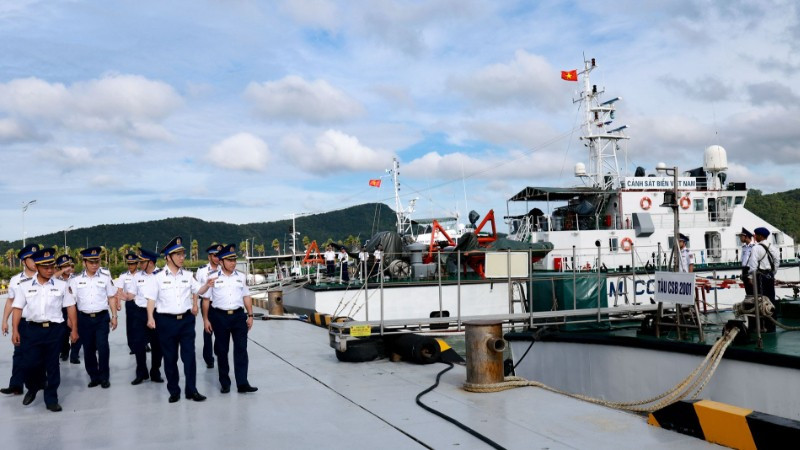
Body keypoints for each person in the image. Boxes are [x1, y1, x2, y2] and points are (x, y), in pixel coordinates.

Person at [11, 248, 78, 412]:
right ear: (37, 267)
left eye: (51, 266)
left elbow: (70, 307)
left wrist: (74, 329)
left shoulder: (62, 285)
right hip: (32, 330)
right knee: (29, 364)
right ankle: (33, 387)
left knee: (52, 365)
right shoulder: (24, 286)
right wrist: (15, 330)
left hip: (54, 330)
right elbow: (17, 308)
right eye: (45, 267)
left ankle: (51, 399)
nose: (49, 270)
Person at [143, 236, 206, 403]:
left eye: (183, 254)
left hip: (186, 321)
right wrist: (150, 317)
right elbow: (151, 299)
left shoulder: (188, 275)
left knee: (189, 357)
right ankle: (174, 391)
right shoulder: (157, 277)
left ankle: (191, 390)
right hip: (166, 322)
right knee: (170, 358)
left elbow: (199, 290)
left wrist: (208, 285)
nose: (182, 257)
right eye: (178, 254)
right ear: (168, 257)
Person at [200, 244, 258, 394]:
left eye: (234, 260)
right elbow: (205, 300)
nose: (233, 263)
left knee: (241, 350)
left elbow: (246, 296)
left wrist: (250, 315)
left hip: (238, 316)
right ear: (221, 262)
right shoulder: (212, 278)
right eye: (230, 260)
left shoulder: (241, 277)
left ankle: (242, 383)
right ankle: (225, 383)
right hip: (220, 317)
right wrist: (206, 320)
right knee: (222, 351)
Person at [69, 247, 118, 388]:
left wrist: (114, 316)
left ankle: (104, 377)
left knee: (103, 347)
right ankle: (94, 376)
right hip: (84, 318)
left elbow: (111, 297)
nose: (94, 265)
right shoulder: (76, 280)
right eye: (91, 262)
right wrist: (72, 322)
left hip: (101, 318)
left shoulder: (105, 278)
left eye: (97, 261)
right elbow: (71, 302)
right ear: (84, 262)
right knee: (88, 348)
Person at [1, 244, 40, 395]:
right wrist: (5, 320)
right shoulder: (15, 280)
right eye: (31, 259)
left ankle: (40, 381)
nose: (35, 261)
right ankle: (16, 385)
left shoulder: (44, 278)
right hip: (23, 323)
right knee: (19, 354)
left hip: (41, 323)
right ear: (24, 261)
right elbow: (10, 301)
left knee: (40, 354)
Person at [123, 248, 163, 385]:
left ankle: (155, 372)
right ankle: (141, 373)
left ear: (150, 262)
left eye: (142, 262)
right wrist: (124, 296)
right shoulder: (137, 277)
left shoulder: (162, 275)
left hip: (157, 313)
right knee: (138, 344)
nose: (139, 264)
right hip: (139, 313)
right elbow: (131, 294)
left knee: (157, 345)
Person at [195, 243, 223, 369]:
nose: (217, 258)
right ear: (209, 256)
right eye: (215, 255)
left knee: (221, 329)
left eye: (219, 256)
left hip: (220, 303)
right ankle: (208, 358)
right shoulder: (202, 271)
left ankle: (217, 349)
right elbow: (196, 289)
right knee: (208, 330)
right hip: (207, 303)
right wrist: (195, 304)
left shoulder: (224, 269)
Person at [55, 255, 81, 364]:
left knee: (76, 330)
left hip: (74, 307)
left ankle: (74, 355)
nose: (68, 268)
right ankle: (65, 351)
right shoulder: (56, 278)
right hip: (60, 310)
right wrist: (62, 271)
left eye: (69, 265)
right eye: (64, 266)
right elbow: (51, 278)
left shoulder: (76, 278)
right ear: (59, 267)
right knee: (62, 333)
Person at [748, 227, 780, 302]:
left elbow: (753, 264)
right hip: (770, 275)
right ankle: (771, 308)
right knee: (771, 296)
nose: (754, 237)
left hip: (760, 276)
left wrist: (751, 277)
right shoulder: (773, 247)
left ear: (760, 236)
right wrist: (773, 273)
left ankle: (762, 309)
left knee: (761, 298)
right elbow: (777, 262)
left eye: (756, 235)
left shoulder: (756, 248)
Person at [118, 253, 140, 355]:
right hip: (130, 303)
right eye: (129, 264)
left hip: (141, 303)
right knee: (131, 325)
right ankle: (132, 346)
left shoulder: (142, 275)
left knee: (142, 324)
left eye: (132, 264)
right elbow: (119, 290)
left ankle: (144, 343)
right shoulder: (123, 276)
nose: (130, 266)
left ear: (137, 264)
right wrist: (119, 302)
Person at [738, 228, 755, 295]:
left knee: (753, 289)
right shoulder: (744, 247)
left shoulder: (754, 247)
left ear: (746, 237)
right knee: (747, 289)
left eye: (741, 236)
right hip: (744, 269)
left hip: (751, 269)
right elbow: (743, 260)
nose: (740, 238)